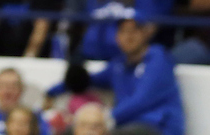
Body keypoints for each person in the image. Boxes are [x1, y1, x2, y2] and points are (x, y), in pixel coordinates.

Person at [50, 16, 184, 135]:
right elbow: (84, 81)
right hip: (126, 126)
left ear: (145, 33)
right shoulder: (119, 64)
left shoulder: (158, 59)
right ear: (116, 37)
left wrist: (105, 117)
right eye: (123, 31)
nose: (128, 36)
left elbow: (141, 100)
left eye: (134, 30)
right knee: (69, 131)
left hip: (158, 127)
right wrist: (51, 92)